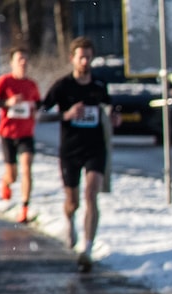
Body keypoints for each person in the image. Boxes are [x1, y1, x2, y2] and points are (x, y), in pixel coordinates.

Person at [41, 36, 119, 272]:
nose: (85, 61)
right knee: (72, 201)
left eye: (88, 56)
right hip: (70, 150)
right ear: (72, 59)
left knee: (91, 193)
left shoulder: (99, 85)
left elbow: (109, 107)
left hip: (95, 148)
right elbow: (41, 114)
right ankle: (69, 221)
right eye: (81, 57)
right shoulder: (62, 86)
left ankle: (87, 247)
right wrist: (66, 115)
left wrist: (114, 117)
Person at [0, 47, 41, 223]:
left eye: (25, 59)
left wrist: (34, 108)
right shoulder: (4, 82)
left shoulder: (32, 85)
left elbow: (41, 104)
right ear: (12, 63)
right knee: (13, 175)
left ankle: (24, 208)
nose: (23, 63)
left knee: (27, 168)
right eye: (19, 60)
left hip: (26, 133)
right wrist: (7, 102)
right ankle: (6, 181)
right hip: (8, 134)